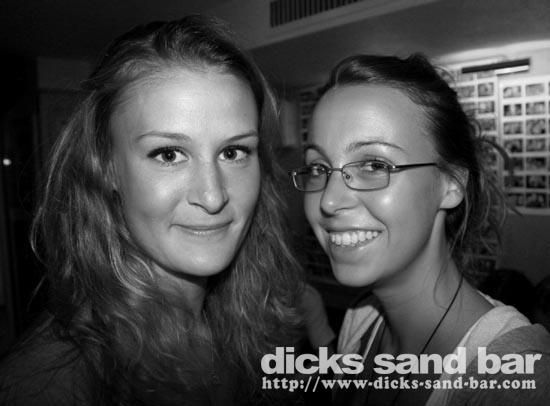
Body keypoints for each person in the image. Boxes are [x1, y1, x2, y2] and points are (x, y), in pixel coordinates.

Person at [0, 15, 302, 405]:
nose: (213, 197)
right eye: (169, 154)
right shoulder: (54, 381)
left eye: (233, 152)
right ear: (106, 168)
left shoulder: (245, 318)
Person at [289, 54, 550, 405]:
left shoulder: (516, 377)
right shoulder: (359, 321)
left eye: (374, 164)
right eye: (318, 168)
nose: (329, 201)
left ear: (451, 184)